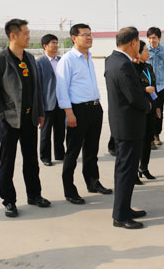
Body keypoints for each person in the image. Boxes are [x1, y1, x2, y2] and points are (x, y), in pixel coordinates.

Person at [0, 18, 50, 217]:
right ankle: (9, 201)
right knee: (8, 162)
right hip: (10, 121)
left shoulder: (30, 58)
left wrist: (40, 112)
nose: (29, 36)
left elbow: (36, 88)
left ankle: (34, 195)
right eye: (26, 33)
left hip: (30, 119)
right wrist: (1, 115)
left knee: (31, 160)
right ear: (13, 35)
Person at [56, 23, 112, 205]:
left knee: (92, 150)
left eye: (90, 34)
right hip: (77, 110)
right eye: (85, 35)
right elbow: (61, 88)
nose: (89, 37)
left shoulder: (88, 57)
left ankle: (93, 182)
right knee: (73, 152)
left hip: (94, 108)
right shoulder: (68, 59)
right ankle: (69, 190)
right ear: (74, 38)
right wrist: (69, 112)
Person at [104, 27, 151, 229]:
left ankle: (124, 208)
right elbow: (134, 97)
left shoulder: (112, 60)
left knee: (125, 170)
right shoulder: (124, 64)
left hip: (122, 124)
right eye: (138, 43)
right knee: (126, 171)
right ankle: (120, 216)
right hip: (128, 126)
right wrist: (148, 105)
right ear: (133, 42)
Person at [36, 34, 65, 166]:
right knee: (45, 133)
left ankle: (60, 154)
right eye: (53, 43)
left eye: (56, 43)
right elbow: (38, 86)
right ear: (45, 46)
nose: (56, 45)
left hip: (61, 102)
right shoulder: (39, 62)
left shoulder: (62, 60)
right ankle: (45, 157)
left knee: (60, 131)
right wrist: (39, 106)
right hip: (47, 103)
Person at [135, 41, 161, 181]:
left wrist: (157, 106)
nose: (148, 52)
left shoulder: (148, 67)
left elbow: (154, 87)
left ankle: (144, 167)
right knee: (138, 140)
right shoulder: (132, 68)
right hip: (139, 107)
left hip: (151, 104)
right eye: (145, 50)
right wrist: (144, 89)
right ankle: (134, 170)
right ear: (138, 53)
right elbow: (131, 88)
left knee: (148, 139)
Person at [146, 26, 164, 148]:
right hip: (149, 87)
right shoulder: (145, 50)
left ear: (159, 38)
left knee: (159, 111)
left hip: (161, 86)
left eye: (154, 38)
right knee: (149, 111)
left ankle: (157, 135)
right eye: (150, 38)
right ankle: (150, 137)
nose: (152, 40)